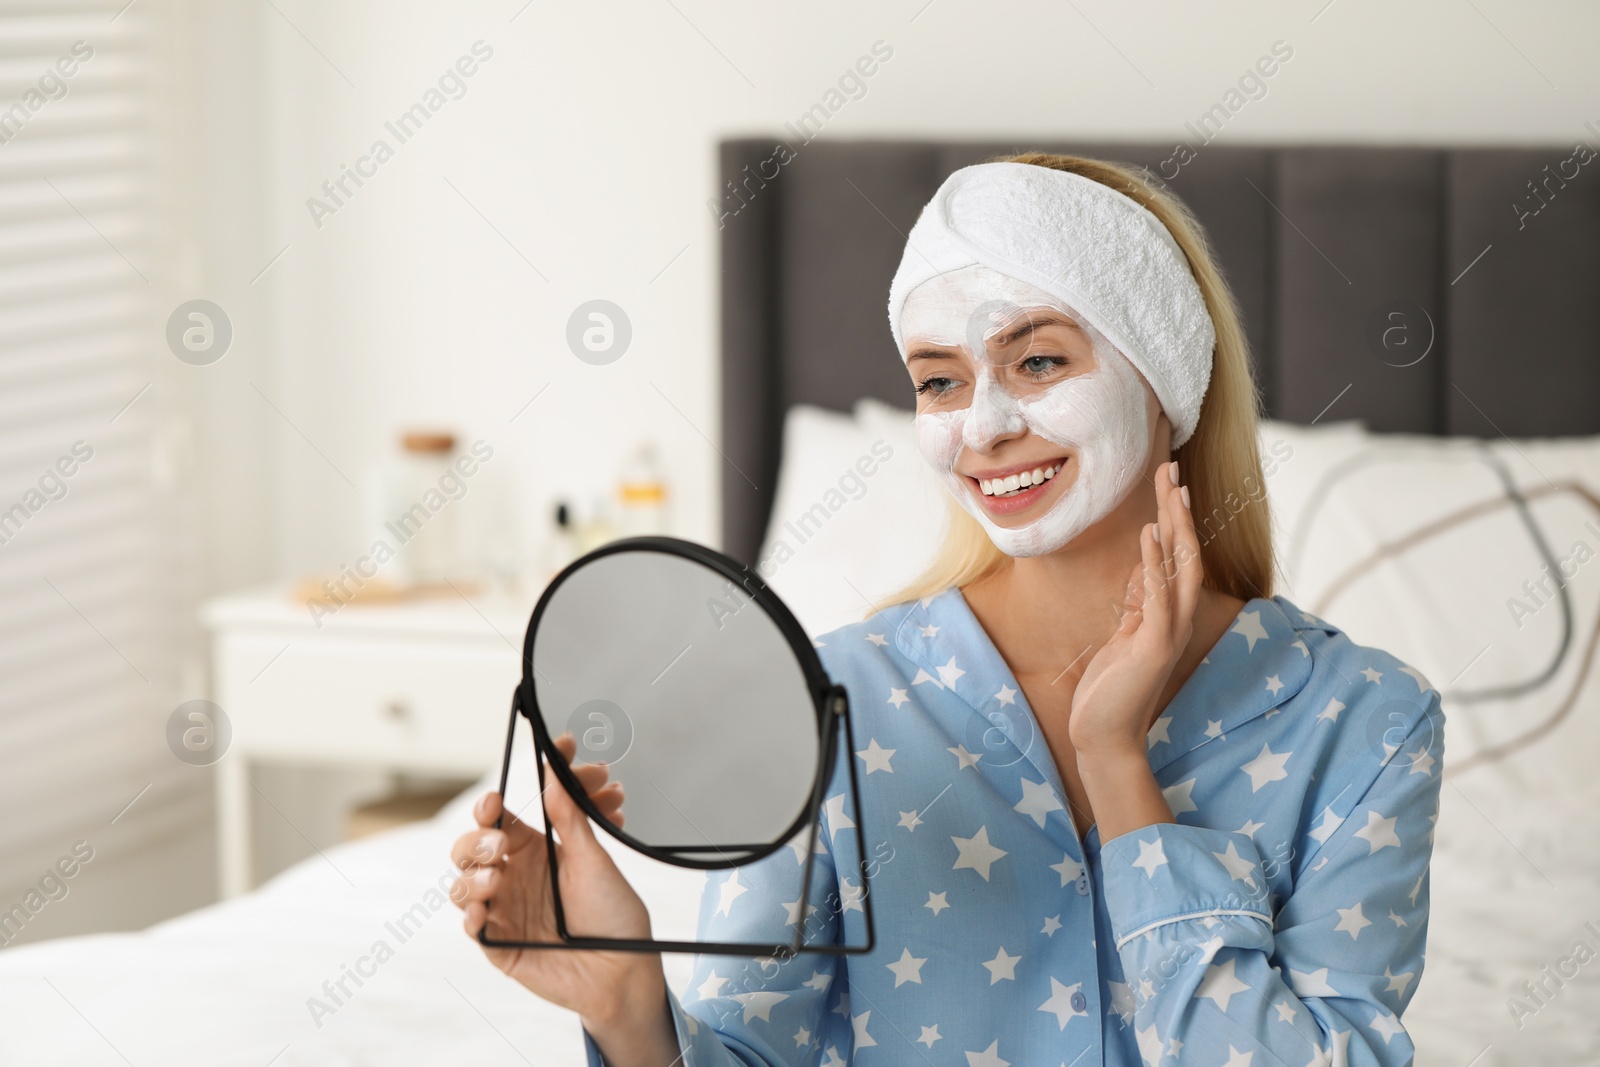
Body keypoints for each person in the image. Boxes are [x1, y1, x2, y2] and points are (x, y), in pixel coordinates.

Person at [450, 153, 1445, 1066]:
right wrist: (630, 1007)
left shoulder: (1365, 721)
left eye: (1040, 361)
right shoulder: (836, 697)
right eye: (939, 380)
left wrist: (1116, 764)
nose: (985, 424)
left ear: (1165, 374)